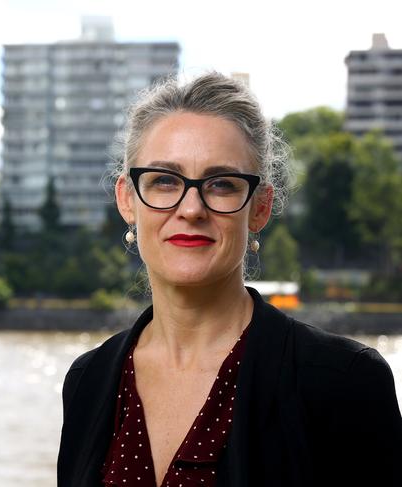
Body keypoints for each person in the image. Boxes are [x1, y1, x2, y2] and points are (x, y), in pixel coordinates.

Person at [57, 72, 402, 487]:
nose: (191, 208)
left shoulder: (343, 381)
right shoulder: (88, 380)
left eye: (221, 184)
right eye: (165, 180)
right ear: (127, 200)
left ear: (259, 208)